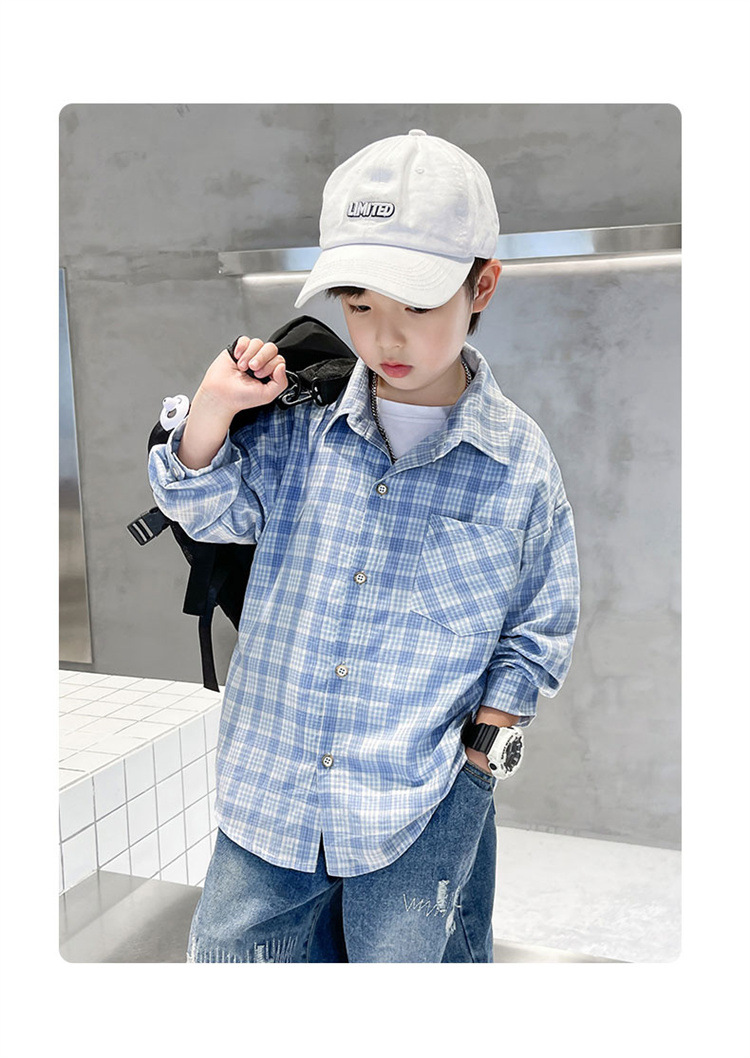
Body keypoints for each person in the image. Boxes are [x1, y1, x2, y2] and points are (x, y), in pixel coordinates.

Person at [148, 129, 580, 963]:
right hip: (267, 801)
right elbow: (203, 509)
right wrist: (213, 409)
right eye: (359, 305)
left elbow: (539, 626)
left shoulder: (518, 461)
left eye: (416, 306)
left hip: (418, 810)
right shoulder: (299, 424)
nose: (385, 338)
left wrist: (480, 767)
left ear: (482, 285)